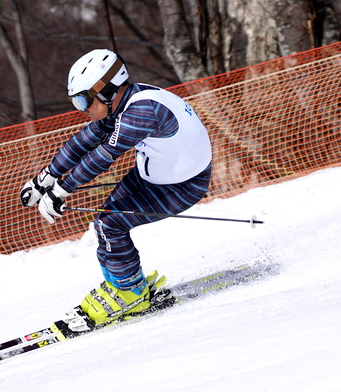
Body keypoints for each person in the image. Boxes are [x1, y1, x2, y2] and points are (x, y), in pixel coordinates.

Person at [20, 48, 212, 327]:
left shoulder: (143, 111)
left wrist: (61, 190)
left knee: (111, 225)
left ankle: (131, 293)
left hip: (182, 185)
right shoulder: (122, 102)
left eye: (83, 100)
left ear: (107, 90)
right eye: (76, 102)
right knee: (102, 223)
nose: (82, 109)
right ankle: (123, 284)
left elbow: (102, 157)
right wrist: (46, 178)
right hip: (153, 177)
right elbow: (82, 142)